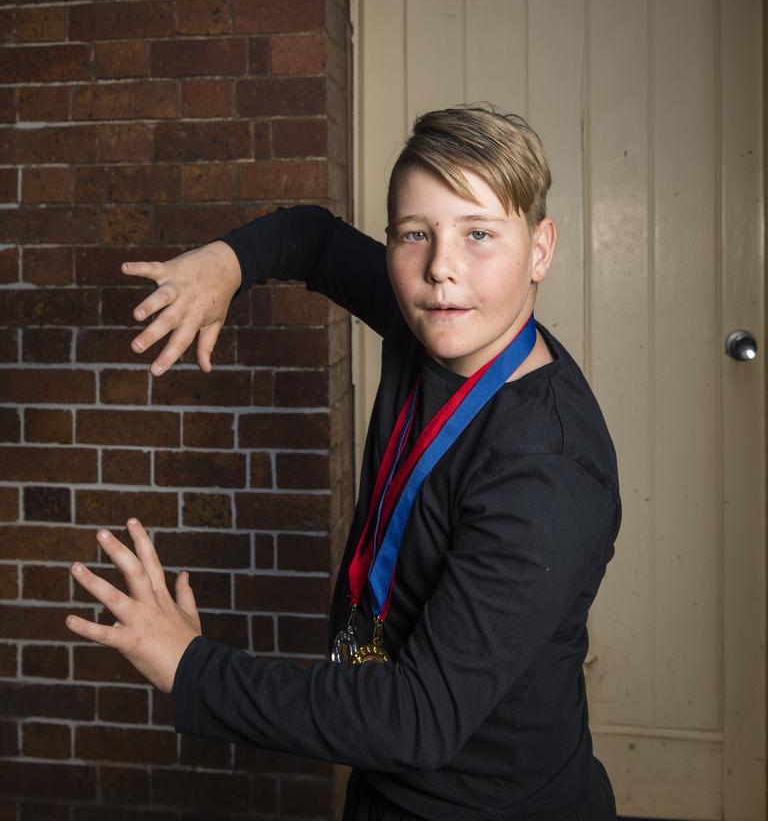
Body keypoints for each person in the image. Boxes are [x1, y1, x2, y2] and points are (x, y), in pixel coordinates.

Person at [66, 107, 621, 820]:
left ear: (540, 249)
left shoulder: (548, 471)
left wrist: (190, 667)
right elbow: (316, 241)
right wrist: (226, 263)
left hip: (489, 805)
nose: (442, 265)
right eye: (415, 233)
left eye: (479, 234)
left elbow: (419, 716)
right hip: (387, 783)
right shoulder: (430, 317)